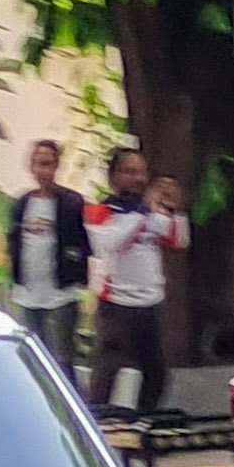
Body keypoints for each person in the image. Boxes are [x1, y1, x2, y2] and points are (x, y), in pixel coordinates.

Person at [85, 148, 189, 414]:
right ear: (114, 176)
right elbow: (110, 243)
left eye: (141, 171)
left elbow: (178, 240)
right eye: (130, 172)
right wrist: (143, 212)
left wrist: (177, 209)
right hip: (117, 306)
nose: (139, 178)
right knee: (106, 377)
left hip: (150, 306)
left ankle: (142, 424)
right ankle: (99, 429)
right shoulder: (103, 211)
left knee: (156, 376)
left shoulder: (150, 214)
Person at [6, 139, 88, 369]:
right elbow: (15, 240)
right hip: (29, 290)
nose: (44, 170)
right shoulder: (22, 203)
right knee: (33, 353)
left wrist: (78, 274)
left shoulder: (71, 203)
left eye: (49, 164)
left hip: (61, 291)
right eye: (39, 164)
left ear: (57, 166)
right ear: (31, 167)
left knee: (62, 356)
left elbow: (81, 241)